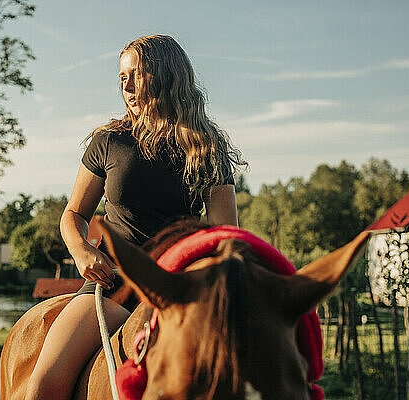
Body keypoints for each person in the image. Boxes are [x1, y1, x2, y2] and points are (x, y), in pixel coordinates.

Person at [24, 34, 247, 400]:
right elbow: (74, 214)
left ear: (164, 76)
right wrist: (81, 251)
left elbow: (225, 236)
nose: (125, 86)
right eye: (121, 77)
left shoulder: (208, 149)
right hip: (112, 284)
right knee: (42, 390)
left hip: (179, 290)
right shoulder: (109, 142)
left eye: (135, 74)